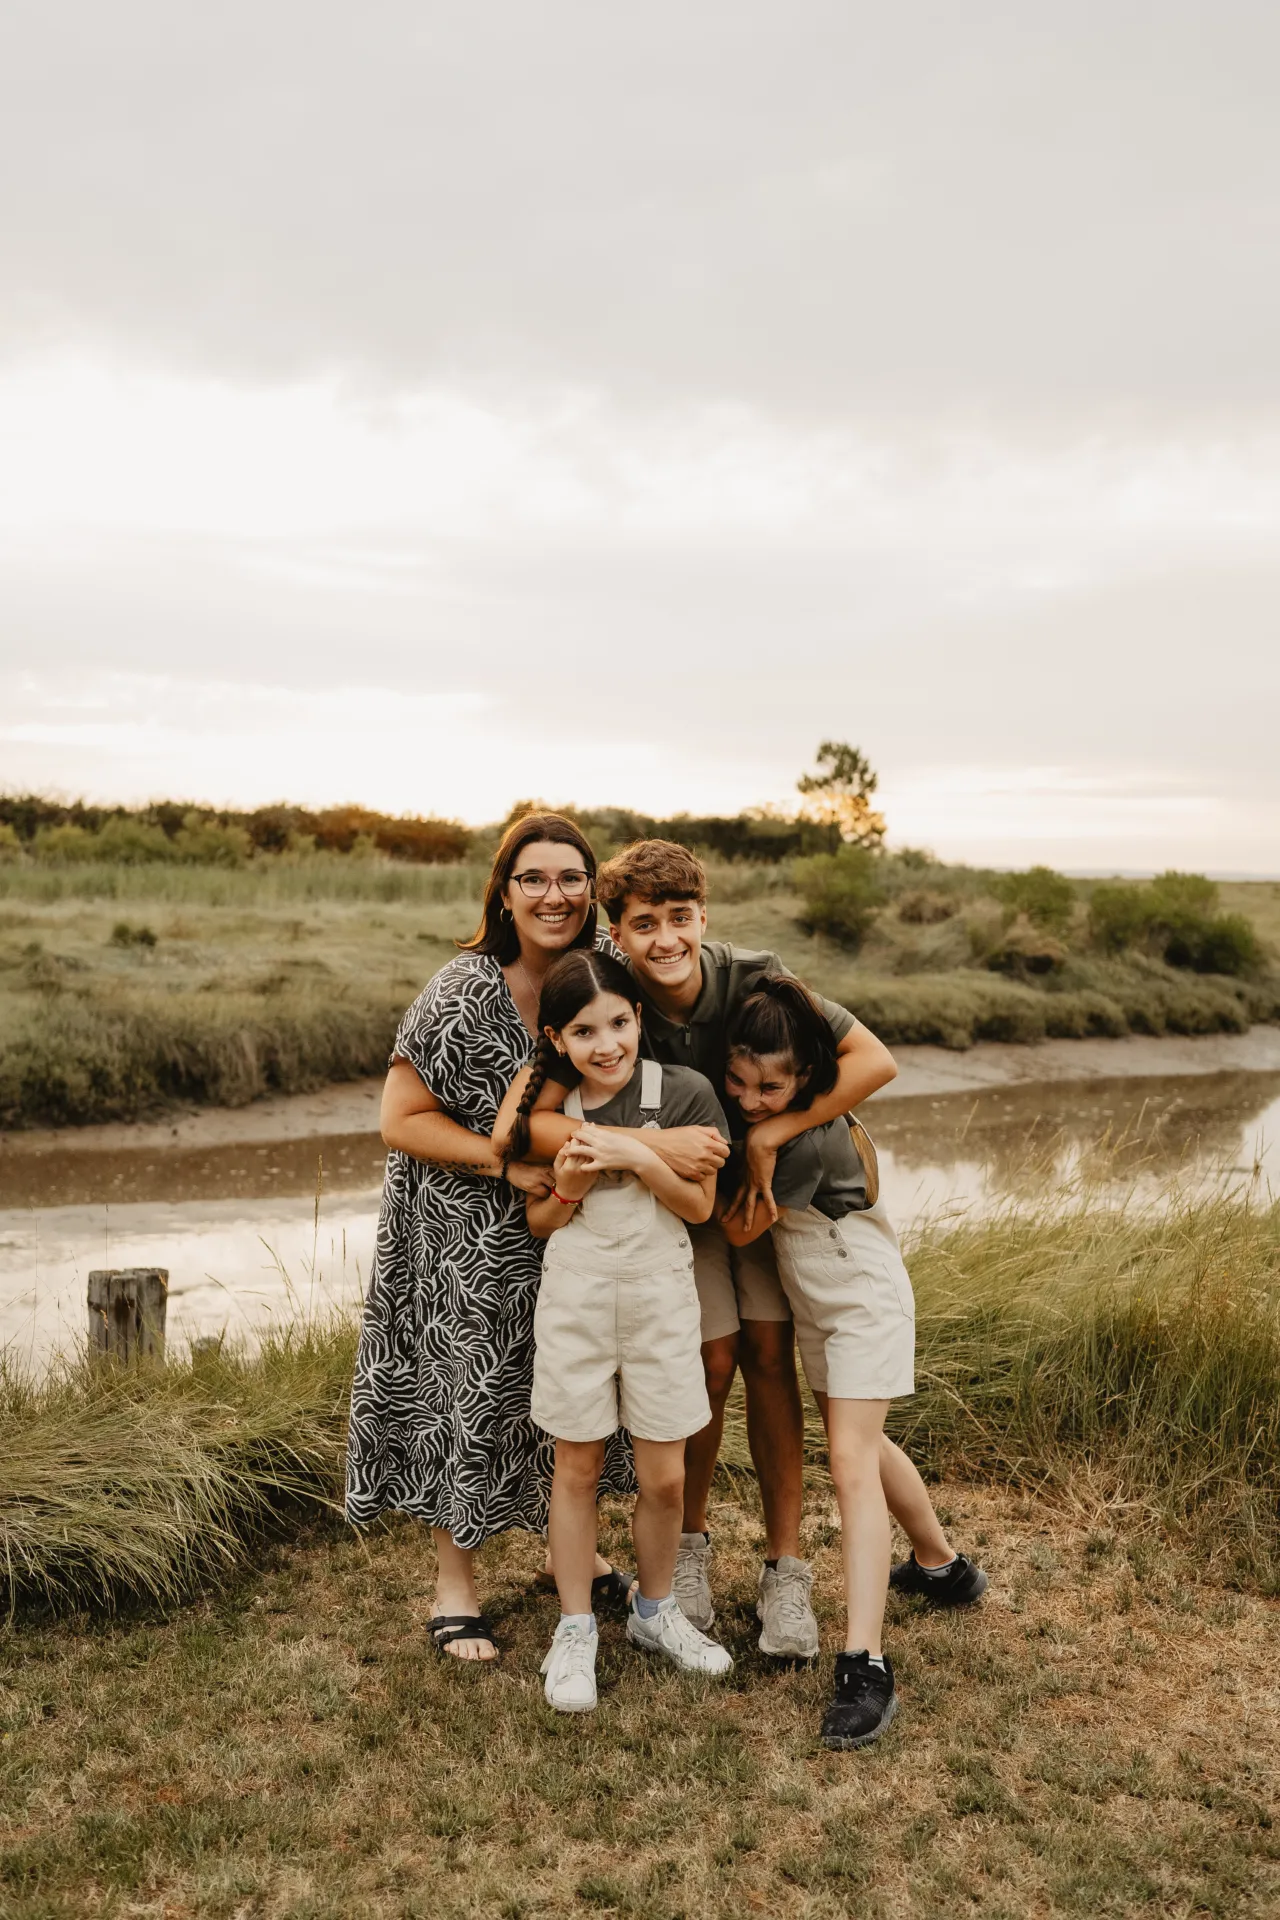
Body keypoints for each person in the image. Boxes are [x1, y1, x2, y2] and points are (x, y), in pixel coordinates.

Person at [495, 839, 986, 1660]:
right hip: (691, 1213)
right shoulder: (614, 1000)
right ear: (617, 933)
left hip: (773, 1199)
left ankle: (785, 1568)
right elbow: (533, 1117)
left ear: (703, 918)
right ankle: (688, 1552)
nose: (664, 940)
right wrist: (638, 1147)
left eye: (679, 919)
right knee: (709, 1360)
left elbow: (875, 1058)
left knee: (768, 1355)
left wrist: (772, 1137)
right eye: (644, 923)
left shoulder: (757, 977)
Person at [345, 814, 645, 1664]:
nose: (555, 895)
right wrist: (499, 1164)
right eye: (534, 879)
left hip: (570, 1225)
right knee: (469, 1392)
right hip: (461, 1231)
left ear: (593, 890)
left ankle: (570, 1554)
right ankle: (454, 1587)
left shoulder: (603, 977)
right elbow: (398, 1120)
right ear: (504, 893)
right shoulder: (460, 991)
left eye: (572, 878)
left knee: (576, 1388)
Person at [717, 972, 982, 1746]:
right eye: (736, 1080)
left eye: (770, 1086)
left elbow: (734, 1231)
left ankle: (865, 1663)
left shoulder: (802, 1138)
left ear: (807, 1081)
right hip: (821, 1305)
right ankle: (942, 1566)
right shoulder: (776, 1117)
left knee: (848, 1457)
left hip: (862, 1299)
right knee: (863, 1440)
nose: (750, 1097)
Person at [503, 947, 734, 1712]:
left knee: (665, 1475)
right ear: (558, 1041)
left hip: (661, 1303)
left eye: (619, 1023)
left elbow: (700, 1210)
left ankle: (654, 1610)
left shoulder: (687, 1092)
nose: (606, 1045)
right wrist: (567, 1188)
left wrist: (636, 1154)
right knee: (577, 1466)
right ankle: (574, 1628)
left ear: (639, 1019)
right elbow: (539, 1221)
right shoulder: (553, 1116)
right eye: (584, 1031)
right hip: (576, 1302)